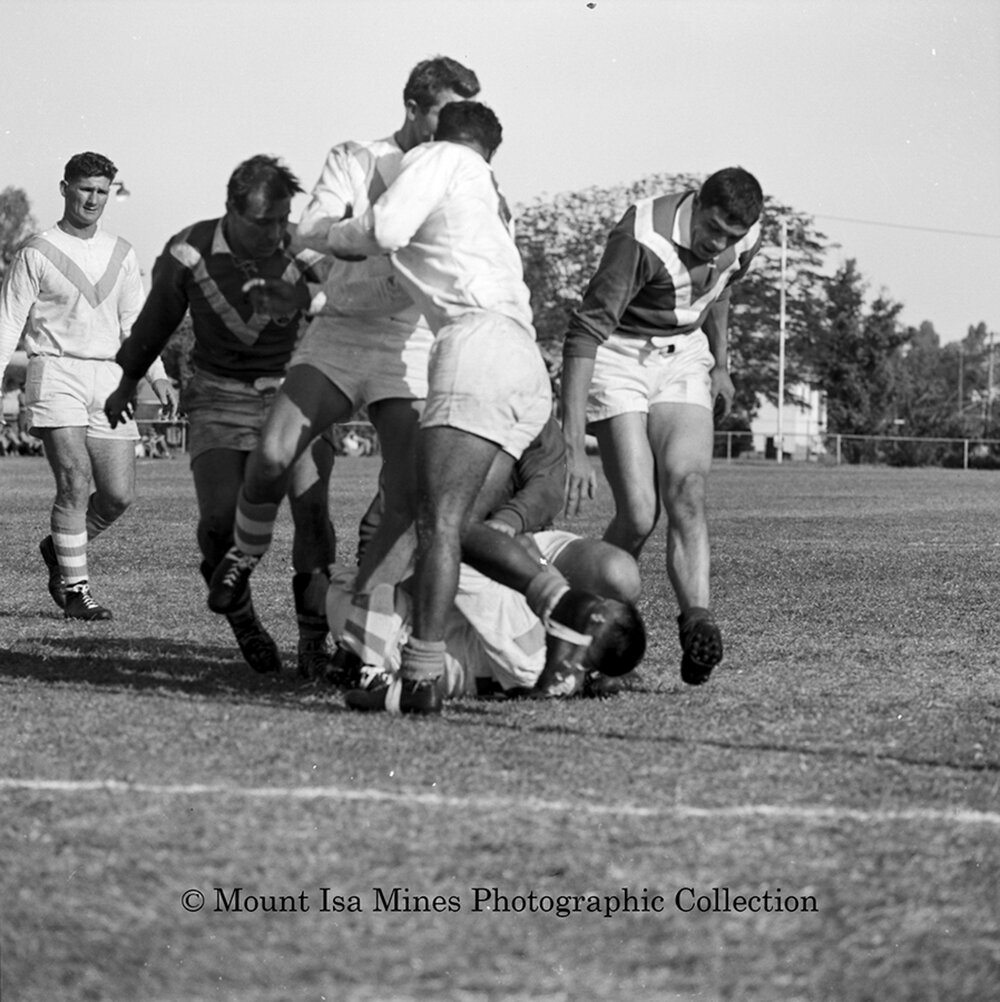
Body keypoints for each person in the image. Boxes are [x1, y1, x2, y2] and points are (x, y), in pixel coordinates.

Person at [227, 99, 619, 718]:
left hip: (475, 346)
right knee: (443, 520)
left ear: (444, 133)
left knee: (432, 524)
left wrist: (317, 234)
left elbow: (382, 232)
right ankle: (399, 656)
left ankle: (434, 670)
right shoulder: (488, 190)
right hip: (521, 361)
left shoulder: (441, 156)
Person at [203, 56, 480, 631]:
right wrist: (368, 237)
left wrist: (365, 241)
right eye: (445, 113)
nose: (459, 125)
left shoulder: (462, 170)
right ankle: (244, 555)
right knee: (275, 453)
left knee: (404, 493)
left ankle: (365, 630)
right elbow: (309, 231)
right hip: (341, 332)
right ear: (412, 108)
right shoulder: (354, 156)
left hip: (409, 339)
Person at [104, 155, 336, 676]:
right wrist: (127, 380)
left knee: (312, 510)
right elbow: (157, 318)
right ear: (231, 210)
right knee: (217, 522)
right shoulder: (189, 249)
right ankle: (244, 619)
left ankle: (315, 641)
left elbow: (346, 306)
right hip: (216, 395)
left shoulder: (307, 247)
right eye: (264, 222)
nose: (277, 232)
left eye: (283, 219)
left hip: (295, 392)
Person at [561, 167, 764, 685]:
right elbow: (584, 333)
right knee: (638, 514)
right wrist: (573, 444)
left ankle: (698, 625)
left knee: (688, 490)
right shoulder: (641, 236)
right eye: (713, 228)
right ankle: (592, 638)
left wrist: (721, 364)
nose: (718, 243)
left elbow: (720, 291)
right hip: (619, 354)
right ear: (696, 202)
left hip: (683, 355)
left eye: (731, 236)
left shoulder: (748, 236)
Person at [0, 151, 178, 620]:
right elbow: (7, 323)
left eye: (102, 191)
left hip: (110, 377)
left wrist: (157, 375)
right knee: (75, 480)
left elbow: (135, 325)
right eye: (85, 189)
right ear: (64, 188)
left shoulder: (121, 252)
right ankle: (77, 590)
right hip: (55, 371)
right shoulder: (37, 250)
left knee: (118, 496)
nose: (93, 199)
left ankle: (58, 548)